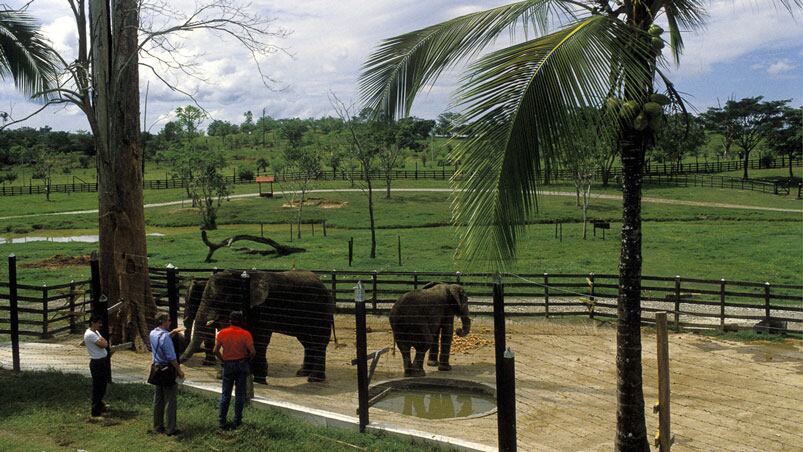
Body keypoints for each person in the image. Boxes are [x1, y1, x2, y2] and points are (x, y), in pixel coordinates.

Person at [214, 310, 255, 430]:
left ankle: (222, 421)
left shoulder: (222, 333)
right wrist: (247, 359)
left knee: (225, 394)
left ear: (229, 320)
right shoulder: (246, 334)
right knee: (240, 395)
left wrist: (223, 360)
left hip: (228, 364)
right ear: (241, 321)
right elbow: (253, 352)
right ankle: (237, 420)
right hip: (241, 364)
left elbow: (215, 350)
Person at [149, 313, 185, 435]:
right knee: (171, 400)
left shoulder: (153, 333)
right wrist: (179, 371)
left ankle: (157, 426)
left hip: (157, 369)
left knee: (158, 399)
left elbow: (161, 338)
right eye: (169, 320)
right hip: (167, 370)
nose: (170, 322)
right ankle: (171, 428)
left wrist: (172, 332)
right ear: (163, 322)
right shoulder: (166, 338)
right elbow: (171, 357)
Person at [84, 314, 109, 419]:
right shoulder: (90, 334)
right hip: (97, 363)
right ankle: (95, 410)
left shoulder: (96, 332)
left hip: (102, 361)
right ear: (92, 323)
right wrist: (104, 343)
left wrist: (104, 342)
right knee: (97, 386)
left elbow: (105, 342)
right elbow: (104, 344)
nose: (100, 325)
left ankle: (100, 404)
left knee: (103, 385)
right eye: (98, 323)